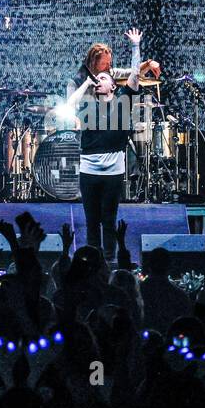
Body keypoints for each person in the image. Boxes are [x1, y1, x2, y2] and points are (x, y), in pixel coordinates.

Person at [65, 29, 159, 259]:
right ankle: (91, 263)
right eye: (100, 74)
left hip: (113, 173)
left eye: (106, 77)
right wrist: (88, 81)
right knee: (91, 222)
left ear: (114, 86)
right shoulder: (87, 103)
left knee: (108, 221)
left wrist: (136, 47)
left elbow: (135, 75)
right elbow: (70, 103)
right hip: (89, 172)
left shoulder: (123, 101)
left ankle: (108, 260)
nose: (102, 77)